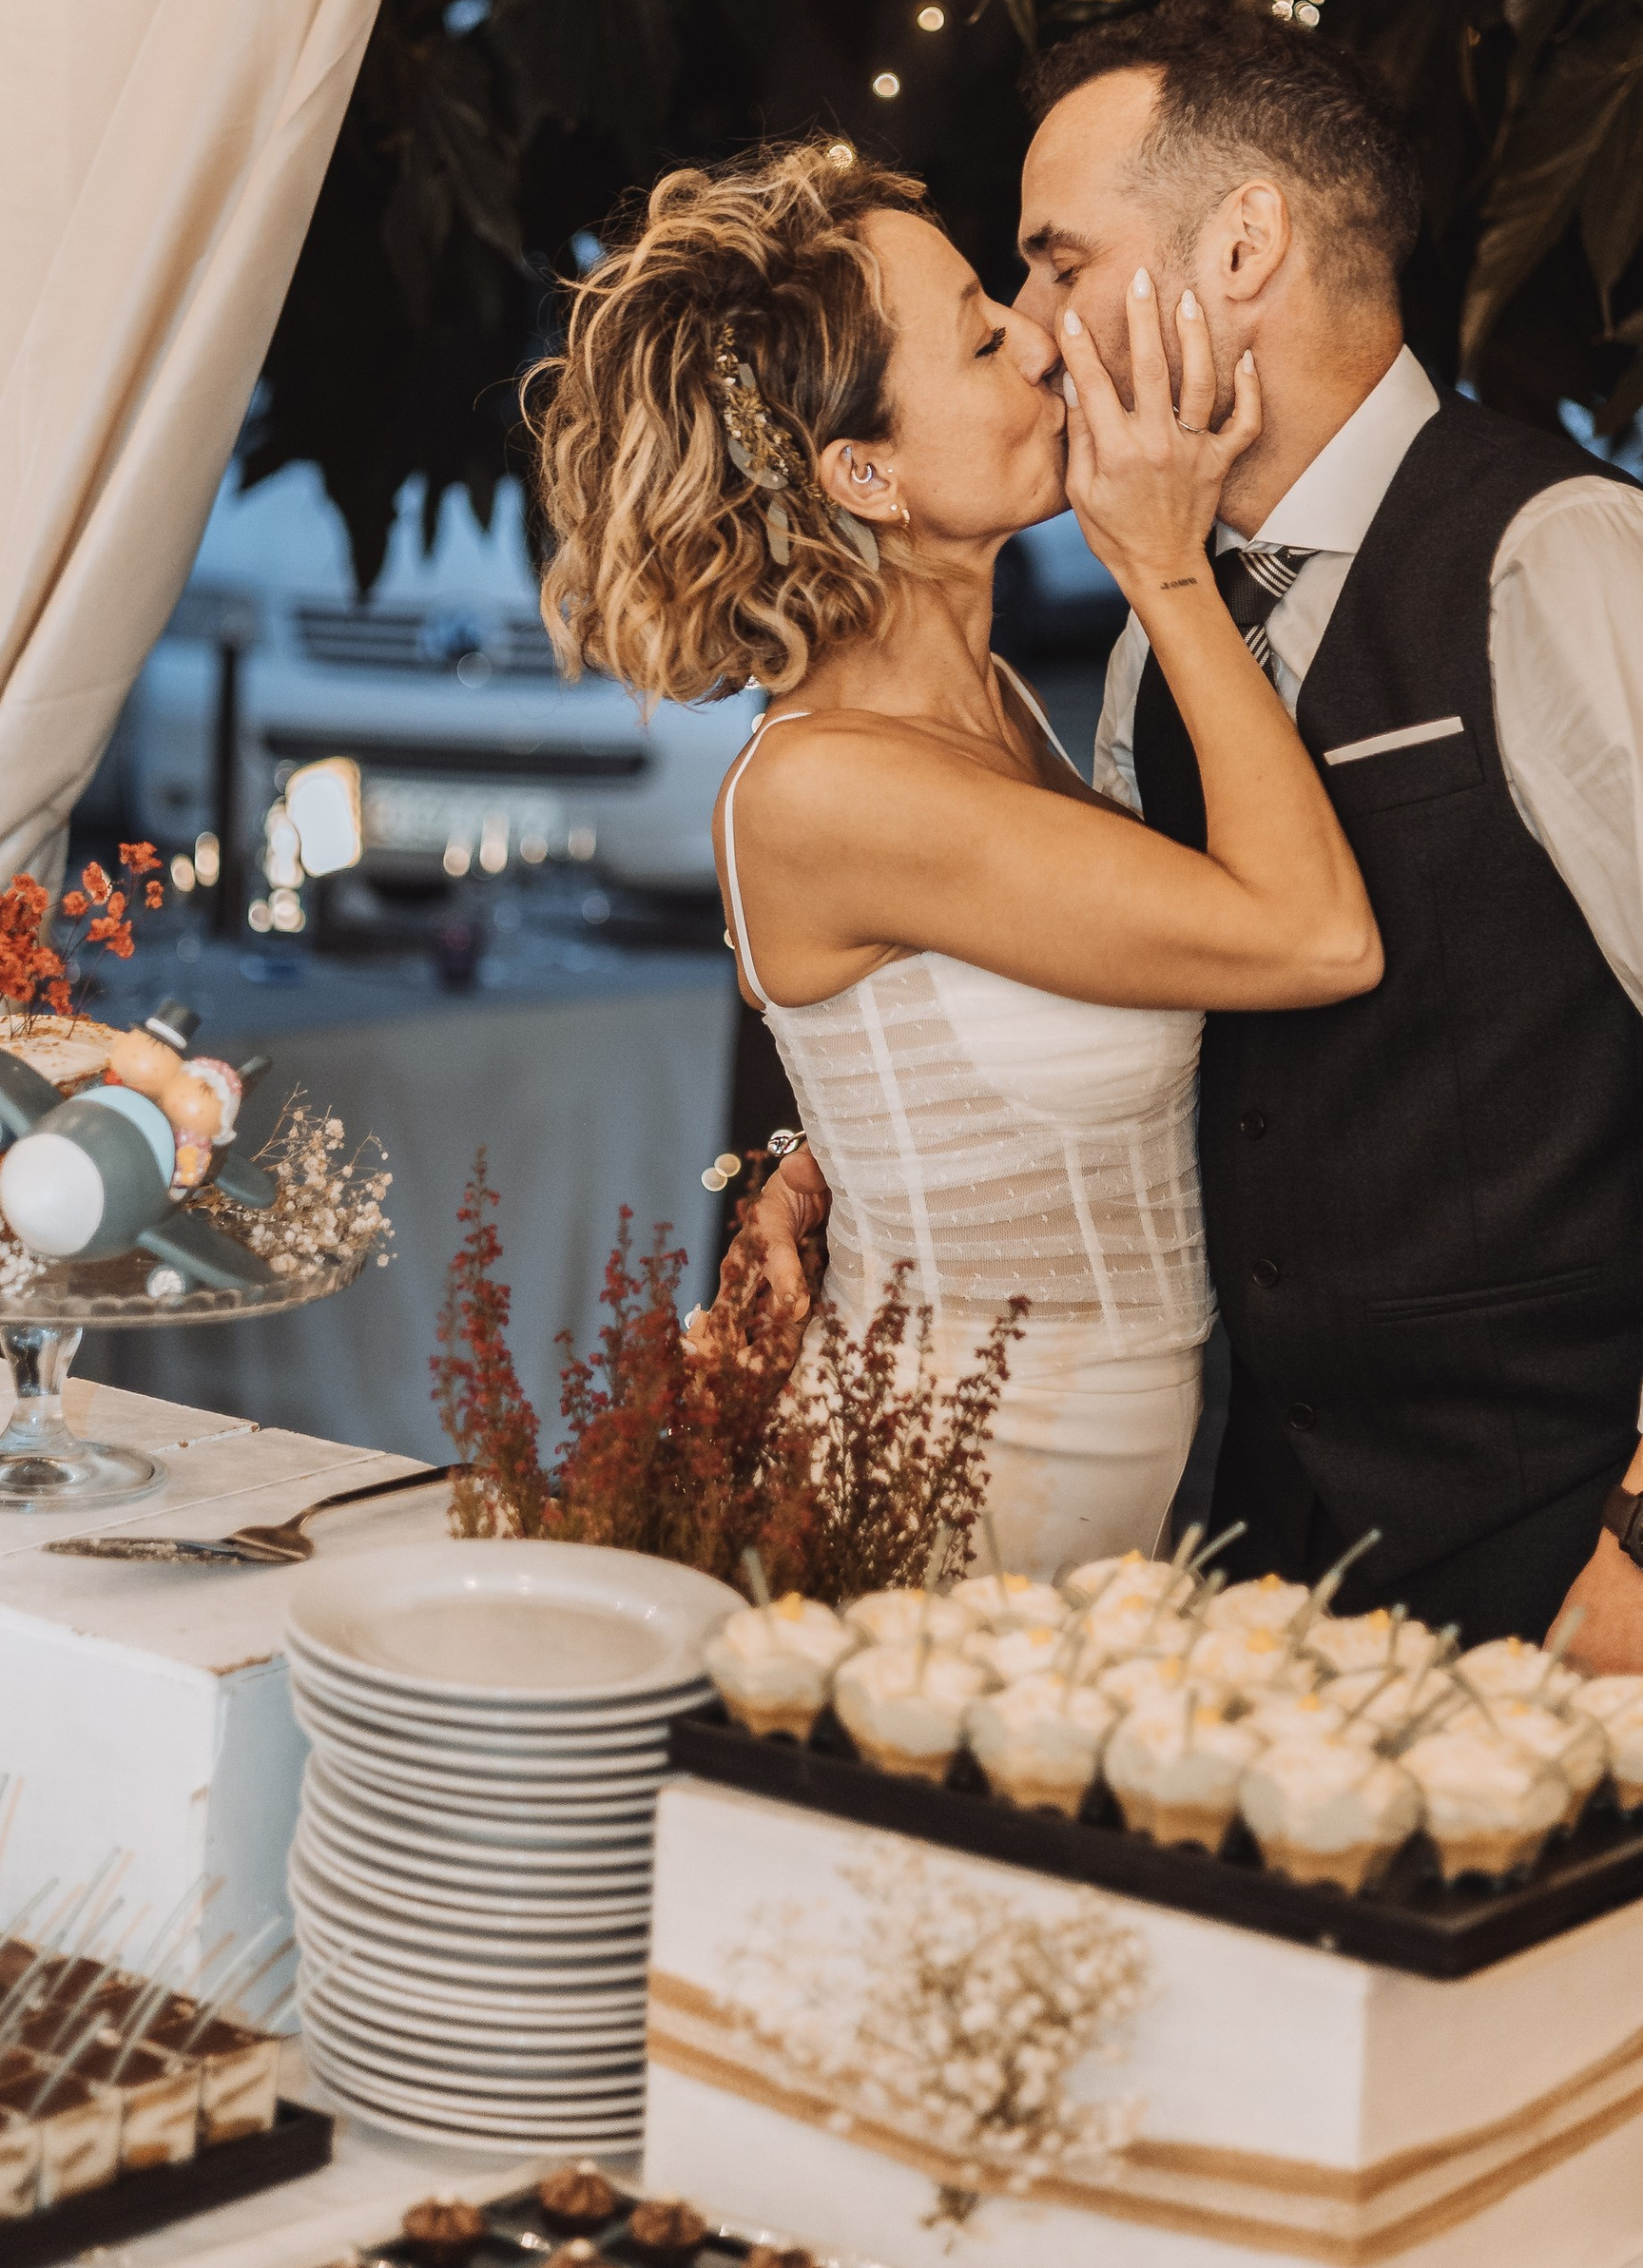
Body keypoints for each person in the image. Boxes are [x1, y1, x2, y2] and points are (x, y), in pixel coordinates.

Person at [747, 0, 1643, 2268]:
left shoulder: (1567, 562)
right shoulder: (1177, 641)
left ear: (1243, 241)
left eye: (1059, 258)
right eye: (1008, 294)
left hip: (1570, 1528)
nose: (1035, 330)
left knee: (1637, 2191)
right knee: (1359, 2223)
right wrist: (839, 1158)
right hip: (1280, 1540)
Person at [527, 139, 1380, 1572]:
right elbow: (1312, 937)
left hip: (1095, 1486)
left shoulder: (992, 707)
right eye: (986, 339)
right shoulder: (830, 792)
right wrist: (1164, 563)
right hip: (938, 1499)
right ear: (866, 471)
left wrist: (817, 1159)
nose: (1046, 343)